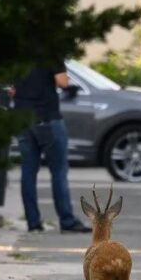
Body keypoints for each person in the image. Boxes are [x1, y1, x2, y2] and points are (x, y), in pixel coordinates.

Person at [11, 62, 91, 233]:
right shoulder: (51, 53)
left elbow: (10, 88)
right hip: (47, 117)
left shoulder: (18, 52)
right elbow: (62, 82)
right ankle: (67, 221)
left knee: (28, 171)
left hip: (22, 118)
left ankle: (33, 222)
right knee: (59, 171)